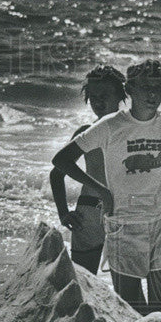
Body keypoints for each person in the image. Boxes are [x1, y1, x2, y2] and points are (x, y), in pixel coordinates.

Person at [52, 59, 161, 317]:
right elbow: (59, 166)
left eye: (158, 88)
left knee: (154, 307)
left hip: (152, 218)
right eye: (145, 87)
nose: (153, 94)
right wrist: (85, 200)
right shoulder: (100, 128)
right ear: (131, 89)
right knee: (106, 298)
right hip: (107, 217)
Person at [50, 65, 126, 274]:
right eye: (93, 97)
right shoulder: (86, 133)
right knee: (82, 284)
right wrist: (63, 213)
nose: (99, 101)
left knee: (127, 289)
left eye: (105, 95)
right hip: (88, 214)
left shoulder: (132, 131)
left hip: (123, 214)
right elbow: (57, 172)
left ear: (121, 94)